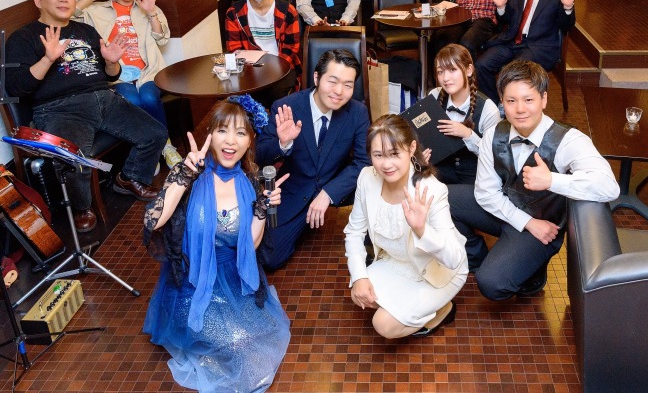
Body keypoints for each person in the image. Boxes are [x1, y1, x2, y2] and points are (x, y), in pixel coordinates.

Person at [143, 96, 291, 393]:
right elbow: (152, 222)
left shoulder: (250, 182)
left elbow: (250, 245)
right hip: (192, 283)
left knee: (251, 344)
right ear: (209, 133)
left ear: (250, 141)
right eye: (223, 130)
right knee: (233, 346)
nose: (230, 141)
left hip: (232, 277)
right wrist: (184, 175)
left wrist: (262, 209)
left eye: (240, 133)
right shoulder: (189, 173)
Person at [5, 0, 165, 233]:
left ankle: (129, 178)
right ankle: (82, 206)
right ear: (39, 1)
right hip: (59, 109)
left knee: (155, 133)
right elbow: (16, 87)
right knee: (75, 159)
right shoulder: (24, 37)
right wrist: (48, 59)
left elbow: (109, 75)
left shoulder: (85, 31)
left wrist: (112, 61)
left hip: (104, 98)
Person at [448, 60, 619, 300]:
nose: (520, 109)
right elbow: (486, 193)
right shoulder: (493, 134)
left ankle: (531, 270)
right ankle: (476, 257)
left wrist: (552, 181)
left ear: (544, 99)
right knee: (442, 197)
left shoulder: (569, 140)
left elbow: (609, 187)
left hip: (543, 227)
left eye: (528, 100)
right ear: (502, 102)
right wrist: (526, 221)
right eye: (511, 101)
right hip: (510, 213)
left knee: (492, 284)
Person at [344, 114, 467, 338]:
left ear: (411, 149)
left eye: (394, 154)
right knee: (358, 292)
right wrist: (360, 277)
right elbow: (354, 232)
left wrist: (422, 230)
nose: (386, 164)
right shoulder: (367, 178)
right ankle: (412, 307)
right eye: (378, 155)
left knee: (383, 325)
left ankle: (442, 310)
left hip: (436, 271)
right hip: (396, 261)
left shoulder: (432, 189)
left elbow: (454, 259)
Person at [255, 49, 371, 270]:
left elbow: (364, 162)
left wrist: (328, 193)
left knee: (381, 175)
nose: (339, 92)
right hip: (294, 189)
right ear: (316, 78)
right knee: (270, 258)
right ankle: (303, 223)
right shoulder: (286, 107)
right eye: (332, 82)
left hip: (334, 183)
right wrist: (282, 143)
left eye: (348, 85)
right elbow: (259, 156)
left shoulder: (357, 112)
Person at [74, 0, 182, 170]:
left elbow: (162, 39)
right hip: (117, 74)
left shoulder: (148, 8)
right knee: (132, 100)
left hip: (147, 72)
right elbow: (66, 16)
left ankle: (166, 146)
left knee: (149, 97)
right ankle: (146, 152)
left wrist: (151, 13)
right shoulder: (96, 10)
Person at [476, 0, 580, 103]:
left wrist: (567, 7)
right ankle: (493, 105)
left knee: (515, 71)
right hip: (512, 42)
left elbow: (567, 26)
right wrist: (501, 7)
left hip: (541, 46)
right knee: (481, 65)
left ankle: (507, 105)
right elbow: (505, 20)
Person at [224, 0, 301, 104]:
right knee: (236, 97)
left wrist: (277, 67)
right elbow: (234, 48)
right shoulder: (234, 13)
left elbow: (292, 47)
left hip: (282, 65)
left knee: (276, 96)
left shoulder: (287, 10)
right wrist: (253, 69)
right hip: (249, 69)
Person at [425, 45, 501, 185]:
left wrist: (468, 134)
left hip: (473, 177)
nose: (445, 78)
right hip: (438, 171)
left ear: (469, 70)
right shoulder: (434, 95)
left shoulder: (488, 109)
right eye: (440, 72)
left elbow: (495, 158)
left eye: (452, 70)